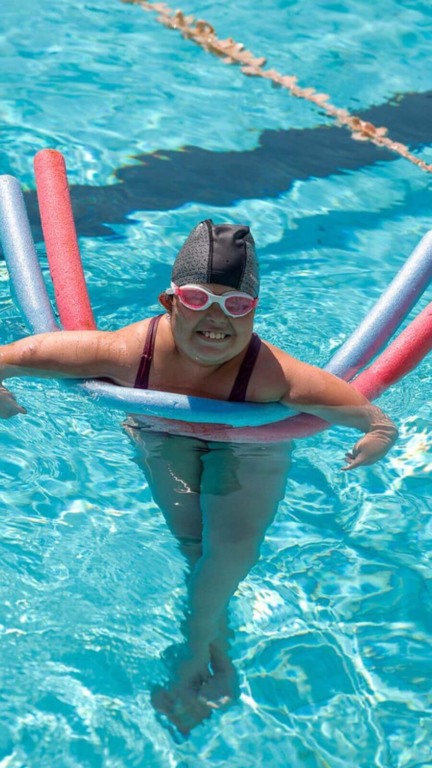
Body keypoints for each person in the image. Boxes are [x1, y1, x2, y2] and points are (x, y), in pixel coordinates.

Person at [0, 220, 398, 734]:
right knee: (195, 546)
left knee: (230, 549)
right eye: (196, 301)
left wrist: (378, 434)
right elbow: (12, 357)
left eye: (235, 305)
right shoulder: (129, 352)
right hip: (163, 431)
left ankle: (192, 653)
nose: (216, 318)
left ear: (253, 312)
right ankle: (216, 652)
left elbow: (372, 416)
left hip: (248, 447)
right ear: (169, 303)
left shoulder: (270, 375)